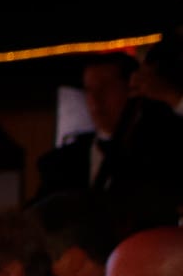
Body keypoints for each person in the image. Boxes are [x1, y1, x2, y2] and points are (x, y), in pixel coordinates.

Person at [37, 53, 183, 226]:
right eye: (89, 90)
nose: (95, 99)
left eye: (106, 87)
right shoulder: (61, 162)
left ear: (133, 88)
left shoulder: (163, 147)